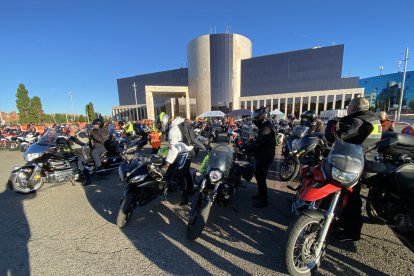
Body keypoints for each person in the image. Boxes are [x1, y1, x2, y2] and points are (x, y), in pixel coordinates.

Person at [325, 97, 382, 241]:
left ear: (354, 108)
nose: (347, 109)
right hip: (367, 159)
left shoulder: (359, 120)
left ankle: (352, 233)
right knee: (348, 196)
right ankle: (344, 223)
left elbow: (336, 138)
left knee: (352, 199)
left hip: (357, 163)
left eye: (349, 107)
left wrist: (332, 122)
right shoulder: (373, 118)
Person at [159, 113, 204, 204]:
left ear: (163, 122)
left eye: (159, 124)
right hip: (189, 151)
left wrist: (167, 163)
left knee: (180, 175)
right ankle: (190, 190)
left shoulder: (172, 130)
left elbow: (174, 149)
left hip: (185, 153)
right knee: (186, 173)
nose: (159, 126)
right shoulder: (177, 124)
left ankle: (184, 198)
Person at [247, 107, 276, 208]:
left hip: (265, 157)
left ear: (262, 118)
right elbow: (257, 142)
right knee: (259, 177)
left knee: (261, 178)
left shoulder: (266, 129)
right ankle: (260, 195)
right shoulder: (264, 126)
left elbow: (258, 143)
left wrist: (247, 149)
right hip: (262, 156)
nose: (255, 120)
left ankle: (264, 201)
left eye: (256, 118)